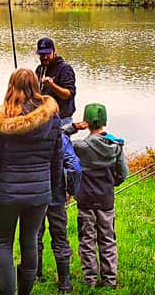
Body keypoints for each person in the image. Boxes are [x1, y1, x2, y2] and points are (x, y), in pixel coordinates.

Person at [0, 69, 63, 295]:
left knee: (3, 244)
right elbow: (57, 159)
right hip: (40, 193)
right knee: (29, 241)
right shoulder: (53, 118)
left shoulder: (4, 120)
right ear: (36, 87)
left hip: (8, 194)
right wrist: (56, 190)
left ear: (11, 88)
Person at [32, 37, 80, 292]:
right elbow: (74, 167)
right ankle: (42, 274)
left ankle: (64, 282)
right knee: (46, 232)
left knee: (50, 232)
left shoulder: (64, 70)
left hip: (62, 120)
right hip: (55, 193)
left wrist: (51, 85)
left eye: (47, 54)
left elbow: (69, 94)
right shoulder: (38, 70)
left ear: (54, 51)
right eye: (41, 54)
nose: (44, 58)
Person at [64, 103, 128, 289]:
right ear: (105, 121)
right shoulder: (115, 146)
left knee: (87, 241)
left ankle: (90, 280)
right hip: (106, 201)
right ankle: (110, 281)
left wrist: (72, 127)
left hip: (85, 201)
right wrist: (111, 184)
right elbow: (123, 173)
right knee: (108, 239)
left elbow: (58, 137)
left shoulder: (79, 147)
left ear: (86, 122)